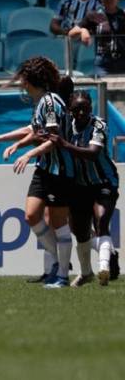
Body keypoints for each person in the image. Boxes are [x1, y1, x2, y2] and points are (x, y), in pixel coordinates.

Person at [4, 56, 75, 289]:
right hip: (45, 168)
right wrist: (16, 145)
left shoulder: (50, 102)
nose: (22, 84)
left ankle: (62, 275)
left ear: (32, 79)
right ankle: (56, 262)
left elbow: (54, 139)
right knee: (32, 215)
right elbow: (35, 132)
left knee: (59, 223)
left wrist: (27, 154)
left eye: (24, 79)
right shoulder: (41, 102)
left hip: (59, 169)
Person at [49, 91, 120, 286]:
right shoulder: (66, 126)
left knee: (101, 220)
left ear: (91, 107)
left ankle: (103, 267)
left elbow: (93, 153)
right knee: (80, 232)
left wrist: (64, 144)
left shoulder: (99, 125)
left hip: (103, 183)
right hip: (79, 186)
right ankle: (87, 271)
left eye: (85, 108)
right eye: (77, 109)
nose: (81, 113)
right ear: (70, 110)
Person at [69, 0, 125, 76]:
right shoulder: (93, 16)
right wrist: (83, 30)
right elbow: (71, 34)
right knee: (102, 89)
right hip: (103, 64)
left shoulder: (123, 15)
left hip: (123, 62)